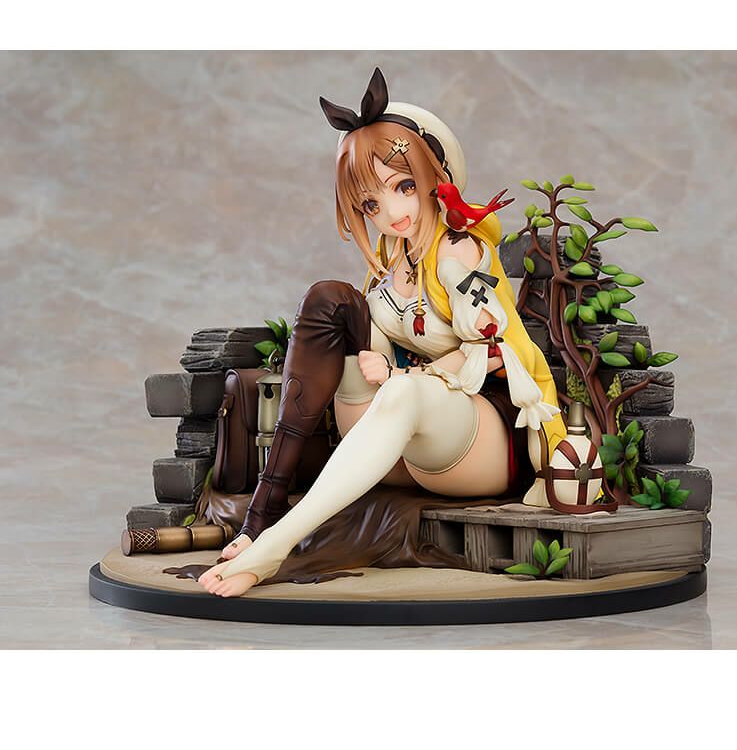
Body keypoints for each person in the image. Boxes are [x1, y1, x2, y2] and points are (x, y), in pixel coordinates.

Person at [198, 68, 567, 597]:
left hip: (476, 441)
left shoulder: (458, 253)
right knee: (329, 299)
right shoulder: (392, 256)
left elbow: (489, 352)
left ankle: (273, 545)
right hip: (397, 440)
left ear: (434, 177)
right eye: (371, 203)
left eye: (404, 187)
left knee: (403, 390)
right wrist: (380, 362)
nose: (390, 213)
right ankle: (264, 506)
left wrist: (404, 376)